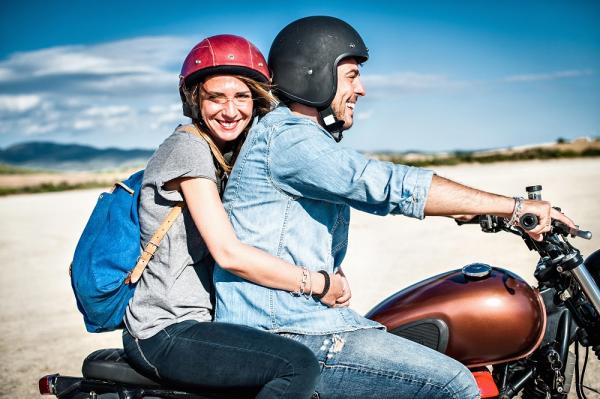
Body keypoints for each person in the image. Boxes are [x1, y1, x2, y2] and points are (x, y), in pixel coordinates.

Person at [213, 17, 577, 399]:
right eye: (352, 75)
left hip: (301, 323)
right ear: (313, 71)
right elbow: (384, 184)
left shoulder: (293, 137)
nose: (361, 89)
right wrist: (514, 207)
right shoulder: (288, 138)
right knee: (454, 384)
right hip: (289, 333)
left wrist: (465, 207)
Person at [122, 34, 350, 399]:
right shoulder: (188, 149)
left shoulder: (228, 154)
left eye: (241, 96)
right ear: (195, 100)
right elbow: (228, 252)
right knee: (297, 365)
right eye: (216, 97)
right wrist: (318, 284)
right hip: (166, 329)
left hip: (201, 322)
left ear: (256, 99)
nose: (230, 110)